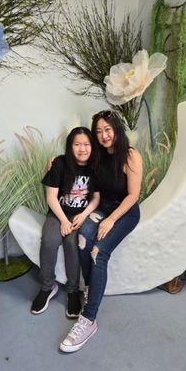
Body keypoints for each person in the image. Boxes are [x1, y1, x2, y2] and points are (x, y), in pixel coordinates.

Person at [59, 110, 143, 352]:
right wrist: (55, 162)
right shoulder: (98, 155)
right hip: (103, 207)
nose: (104, 135)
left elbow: (133, 196)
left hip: (125, 212)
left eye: (108, 129)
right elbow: (77, 163)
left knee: (97, 252)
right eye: (99, 131)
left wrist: (110, 221)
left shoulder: (130, 156)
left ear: (116, 129)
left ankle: (88, 319)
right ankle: (90, 288)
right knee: (83, 239)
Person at [31, 127, 100, 319]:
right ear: (70, 146)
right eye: (77, 144)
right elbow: (51, 197)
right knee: (49, 240)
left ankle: (72, 291)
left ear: (92, 147)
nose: (82, 149)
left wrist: (84, 214)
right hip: (58, 213)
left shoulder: (95, 167)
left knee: (72, 243)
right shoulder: (60, 163)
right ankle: (47, 287)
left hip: (79, 215)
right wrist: (62, 220)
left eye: (86, 144)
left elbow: (96, 198)